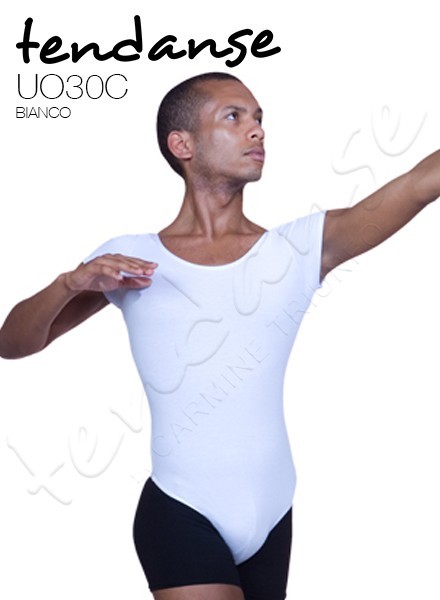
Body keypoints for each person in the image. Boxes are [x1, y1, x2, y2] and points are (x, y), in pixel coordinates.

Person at [0, 72, 438, 600]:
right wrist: (70, 283)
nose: (257, 130)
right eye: (234, 116)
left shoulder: (299, 250)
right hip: (181, 509)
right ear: (181, 145)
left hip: (273, 513)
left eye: (259, 119)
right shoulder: (131, 258)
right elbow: (12, 343)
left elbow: (420, 183)